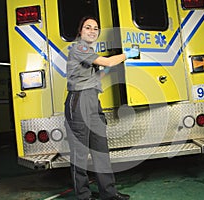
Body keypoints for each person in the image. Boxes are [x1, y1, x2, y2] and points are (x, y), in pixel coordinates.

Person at [64, 16, 139, 200]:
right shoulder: (78, 47)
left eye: (96, 28)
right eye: (87, 27)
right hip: (79, 101)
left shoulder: (89, 52)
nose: (92, 31)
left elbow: (97, 77)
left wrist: (108, 69)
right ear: (80, 31)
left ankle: (109, 193)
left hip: (92, 100)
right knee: (80, 153)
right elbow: (107, 62)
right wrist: (126, 54)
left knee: (100, 150)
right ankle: (83, 195)